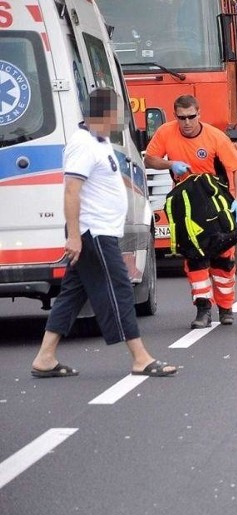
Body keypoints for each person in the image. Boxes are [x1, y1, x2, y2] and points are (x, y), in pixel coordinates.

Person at [31, 88, 177, 378]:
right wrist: (74, 236)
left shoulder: (99, 142)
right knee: (119, 289)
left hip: (99, 231)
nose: (120, 122)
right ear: (105, 114)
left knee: (73, 293)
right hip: (93, 232)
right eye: (118, 116)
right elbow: (72, 191)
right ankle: (139, 357)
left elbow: (106, 177)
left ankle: (44, 357)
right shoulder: (83, 144)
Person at [145, 95, 237, 329]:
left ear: (199, 114)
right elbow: (150, 159)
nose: (187, 122)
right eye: (181, 118)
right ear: (175, 117)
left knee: (223, 259)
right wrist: (171, 164)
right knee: (195, 257)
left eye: (191, 117)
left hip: (215, 201)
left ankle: (226, 307)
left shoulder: (215, 137)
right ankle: (203, 310)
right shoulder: (165, 132)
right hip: (186, 204)